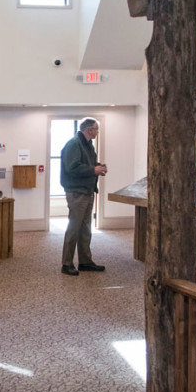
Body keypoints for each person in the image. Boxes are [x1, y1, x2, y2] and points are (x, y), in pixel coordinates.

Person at [59, 118, 107, 276]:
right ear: (89, 129)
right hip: (77, 192)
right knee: (74, 228)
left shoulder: (87, 144)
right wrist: (94, 170)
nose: (97, 132)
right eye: (96, 129)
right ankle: (67, 263)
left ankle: (85, 261)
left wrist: (98, 166)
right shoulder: (74, 144)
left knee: (85, 228)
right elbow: (72, 168)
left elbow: (87, 164)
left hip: (87, 190)